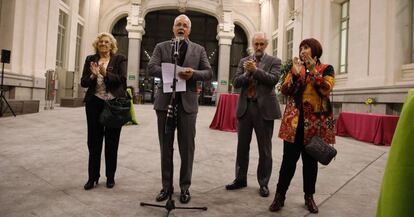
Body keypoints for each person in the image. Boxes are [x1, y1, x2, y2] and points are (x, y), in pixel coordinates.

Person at [147, 14, 213, 204]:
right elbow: (151, 68)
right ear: (173, 28)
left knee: (187, 148)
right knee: (165, 147)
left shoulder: (199, 50)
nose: (181, 27)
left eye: (185, 25)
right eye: (178, 25)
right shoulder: (162, 47)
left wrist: (192, 74)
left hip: (187, 104)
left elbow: (208, 73)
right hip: (165, 102)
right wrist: (172, 72)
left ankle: (185, 188)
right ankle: (166, 187)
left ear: (189, 30)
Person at [269, 38, 335, 213]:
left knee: (310, 164)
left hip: (314, 127)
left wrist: (312, 70)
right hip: (294, 124)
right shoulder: (295, 68)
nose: (302, 51)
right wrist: (295, 75)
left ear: (315, 50)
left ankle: (309, 197)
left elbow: (326, 88)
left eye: (306, 47)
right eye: (301, 48)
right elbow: (284, 90)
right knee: (288, 163)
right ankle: (279, 196)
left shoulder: (326, 68)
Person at [225, 32, 282, 197]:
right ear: (252, 44)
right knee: (242, 147)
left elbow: (273, 80)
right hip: (245, 108)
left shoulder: (274, 61)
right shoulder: (244, 61)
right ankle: (240, 179)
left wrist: (255, 70)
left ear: (266, 45)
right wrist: (246, 73)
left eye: (261, 44)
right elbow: (235, 83)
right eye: (256, 44)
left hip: (264, 110)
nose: (258, 47)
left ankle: (263, 183)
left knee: (265, 150)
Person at [80, 32, 127, 190]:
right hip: (94, 104)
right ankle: (92, 177)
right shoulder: (90, 60)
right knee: (93, 142)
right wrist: (93, 76)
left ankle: (110, 177)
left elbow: (122, 80)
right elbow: (83, 82)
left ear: (111, 45)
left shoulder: (119, 59)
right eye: (100, 42)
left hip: (113, 105)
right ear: (97, 44)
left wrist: (105, 73)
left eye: (106, 42)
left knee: (112, 142)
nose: (103, 44)